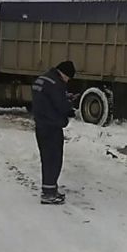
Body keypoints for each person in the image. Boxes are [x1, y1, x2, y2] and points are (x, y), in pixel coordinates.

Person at [31, 61, 76, 205]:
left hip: (41, 125)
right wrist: (70, 107)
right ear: (64, 74)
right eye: (68, 78)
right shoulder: (56, 84)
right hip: (52, 126)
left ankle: (49, 189)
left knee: (46, 159)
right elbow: (60, 105)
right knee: (54, 160)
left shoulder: (43, 79)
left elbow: (47, 99)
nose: (67, 81)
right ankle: (49, 194)